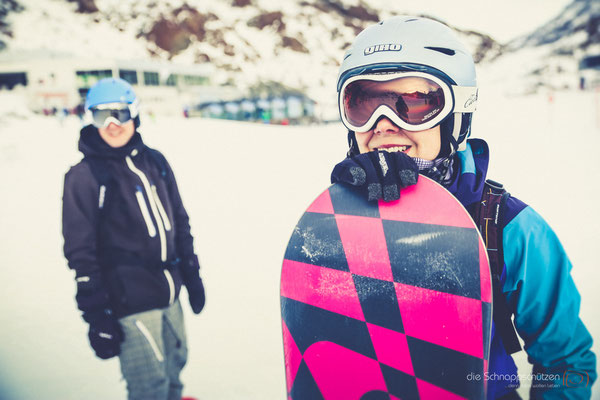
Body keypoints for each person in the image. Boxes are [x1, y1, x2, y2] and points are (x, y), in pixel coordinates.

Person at [330, 16, 596, 399]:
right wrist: (347, 218)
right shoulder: (335, 221)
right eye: (364, 105)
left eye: (415, 103)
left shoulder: (508, 228)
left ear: (457, 117)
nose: (384, 125)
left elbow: (566, 363)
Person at [62, 78, 206, 400]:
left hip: (170, 291)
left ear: (135, 115)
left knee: (174, 367)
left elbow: (179, 221)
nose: (113, 125)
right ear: (90, 119)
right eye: (102, 116)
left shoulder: (154, 161)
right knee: (148, 384)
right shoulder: (84, 177)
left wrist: (192, 274)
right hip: (129, 301)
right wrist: (96, 313)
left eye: (120, 114)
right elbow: (79, 251)